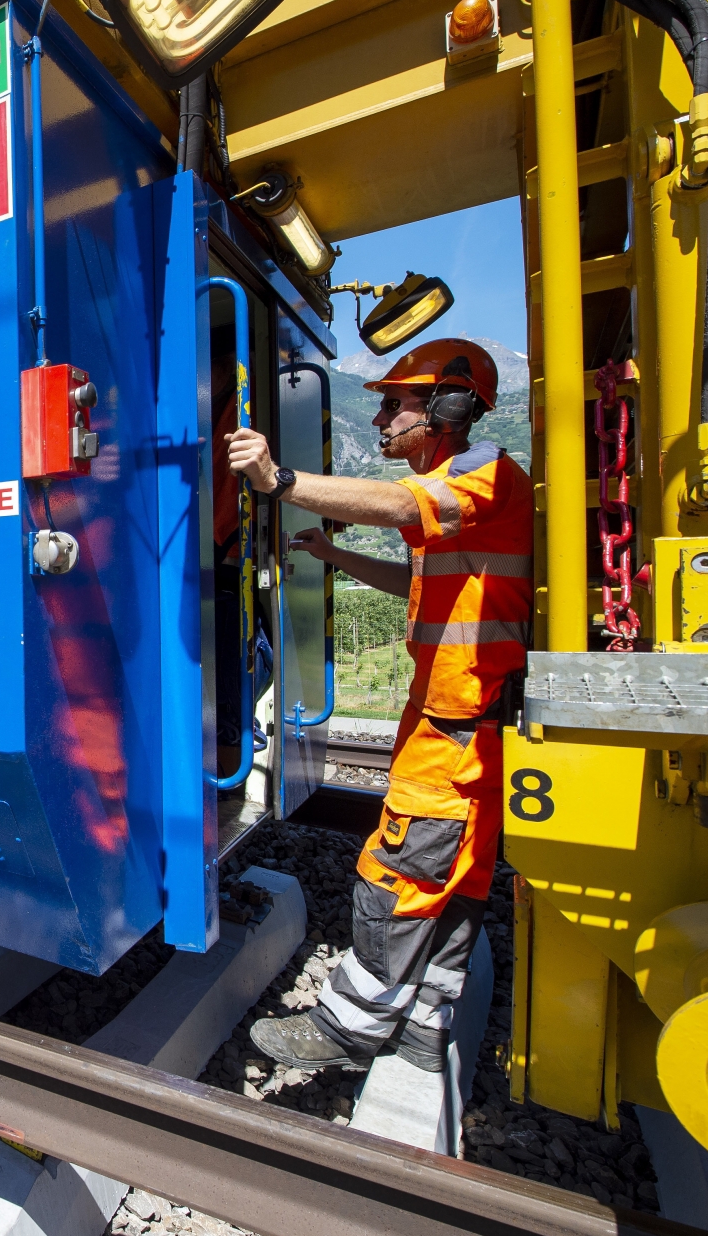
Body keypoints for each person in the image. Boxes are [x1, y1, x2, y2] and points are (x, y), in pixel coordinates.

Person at [226, 338, 531, 1074]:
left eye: (397, 402)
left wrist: (279, 478)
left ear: (450, 406)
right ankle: (425, 1027)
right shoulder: (456, 505)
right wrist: (336, 559)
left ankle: (349, 1025)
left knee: (396, 870)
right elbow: (416, 586)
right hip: (466, 723)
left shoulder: (480, 469)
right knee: (457, 883)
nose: (383, 417)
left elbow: (396, 501)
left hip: (457, 726)